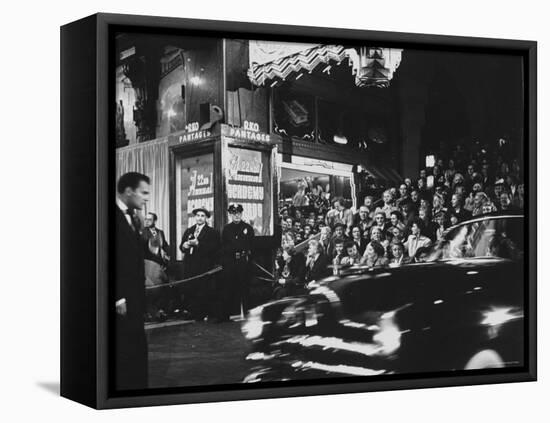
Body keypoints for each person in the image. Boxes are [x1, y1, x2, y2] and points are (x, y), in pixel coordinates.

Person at [114, 172, 150, 390]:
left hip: (135, 299)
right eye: (143, 192)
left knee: (135, 348)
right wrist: (118, 297)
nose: (146, 198)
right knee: (124, 350)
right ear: (129, 191)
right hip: (121, 301)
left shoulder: (135, 218)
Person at [179, 207, 220, 320]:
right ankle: (191, 312)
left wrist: (198, 244)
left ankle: (201, 313)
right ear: (195, 217)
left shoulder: (212, 232)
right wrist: (183, 246)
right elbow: (181, 245)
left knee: (202, 290)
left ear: (206, 218)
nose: (200, 218)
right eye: (198, 215)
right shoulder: (189, 230)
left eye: (202, 216)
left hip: (203, 266)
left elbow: (214, 249)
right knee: (190, 288)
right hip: (189, 265)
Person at [219, 204, 255, 321]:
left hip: (243, 262)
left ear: (241, 214)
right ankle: (225, 316)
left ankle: (247, 315)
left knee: (245, 289)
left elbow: (252, 246)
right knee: (227, 288)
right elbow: (223, 247)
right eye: (234, 213)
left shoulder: (247, 228)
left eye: (239, 213)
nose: (236, 215)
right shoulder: (226, 229)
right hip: (230, 262)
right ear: (230, 215)